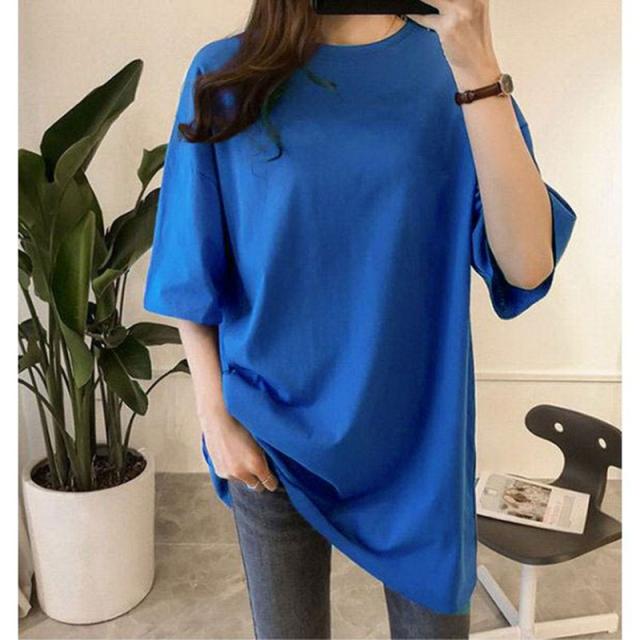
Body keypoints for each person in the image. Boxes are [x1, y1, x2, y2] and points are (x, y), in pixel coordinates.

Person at [143, 1, 577, 638]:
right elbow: (192, 259)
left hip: (420, 443)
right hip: (270, 429)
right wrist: (213, 416)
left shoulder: (451, 71)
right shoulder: (228, 72)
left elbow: (528, 265)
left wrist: (478, 68)